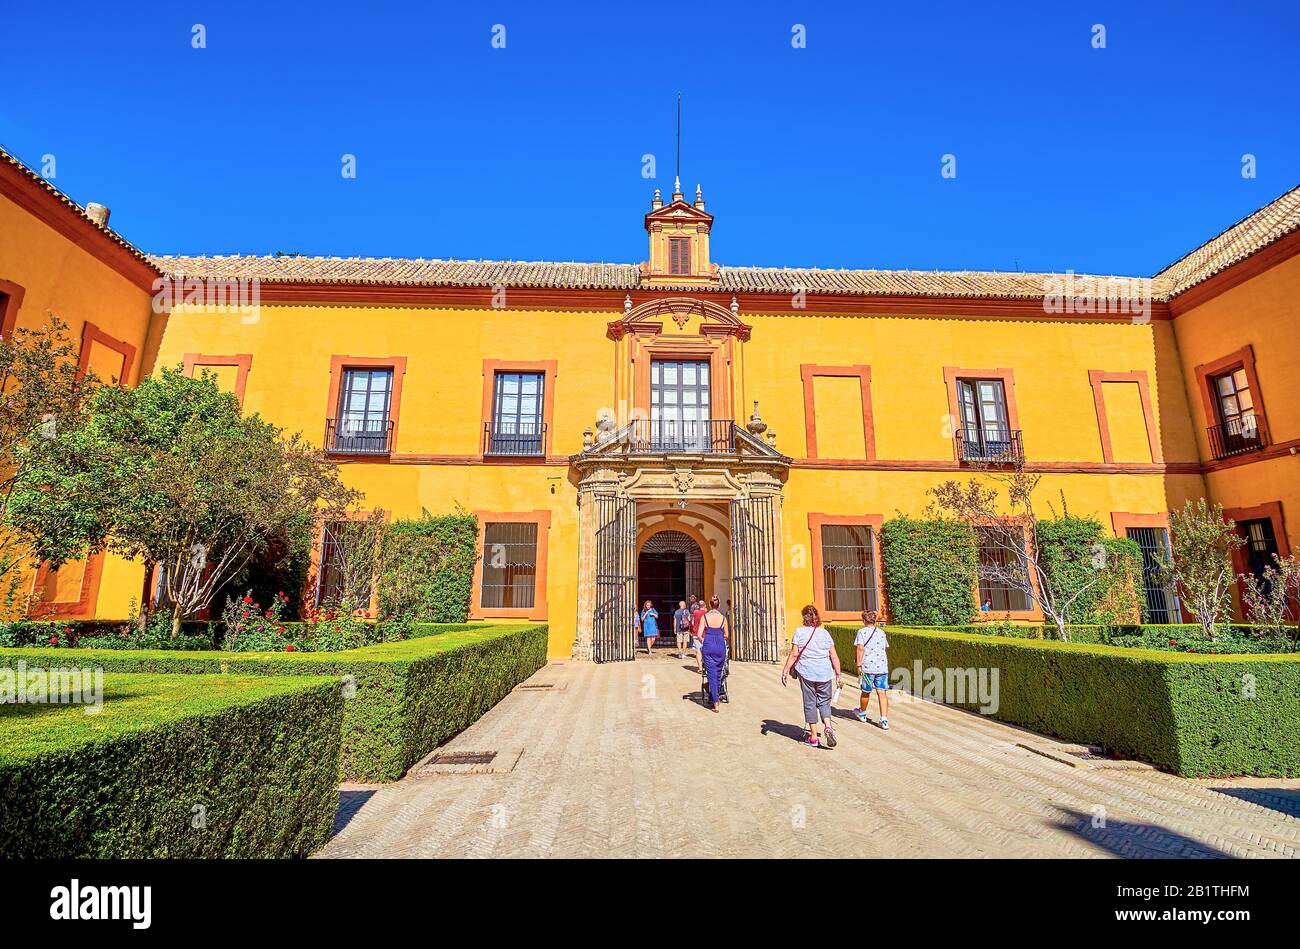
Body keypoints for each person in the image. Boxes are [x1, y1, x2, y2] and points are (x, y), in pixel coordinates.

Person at [781, 604, 842, 749]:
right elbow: (833, 655)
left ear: (804, 617)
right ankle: (828, 726)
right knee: (824, 702)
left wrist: (785, 669)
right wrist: (838, 673)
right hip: (825, 672)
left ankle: (814, 737)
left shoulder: (799, 632)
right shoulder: (824, 633)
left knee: (810, 702)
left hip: (807, 672)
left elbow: (794, 654)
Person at [853, 610, 890, 730]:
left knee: (866, 691)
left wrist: (859, 665)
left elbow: (860, 649)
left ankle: (862, 713)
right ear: (874, 620)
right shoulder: (881, 632)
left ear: (864, 620)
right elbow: (884, 647)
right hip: (882, 668)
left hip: (868, 668)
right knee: (882, 692)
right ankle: (884, 719)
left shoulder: (861, 632)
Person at [697, 595, 729, 712]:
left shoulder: (704, 617)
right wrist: (720, 638)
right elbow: (726, 635)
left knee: (711, 674)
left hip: (709, 644)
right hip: (720, 645)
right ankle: (713, 696)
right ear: (719, 605)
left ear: (710, 604)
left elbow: (699, 635)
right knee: (718, 673)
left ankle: (716, 702)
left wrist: (705, 641)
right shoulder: (723, 618)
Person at [689, 595, 707, 673]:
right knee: (706, 650)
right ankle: (706, 666)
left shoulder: (695, 612)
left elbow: (691, 622)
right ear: (705, 606)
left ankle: (700, 668)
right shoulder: (707, 613)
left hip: (696, 633)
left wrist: (691, 630)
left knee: (698, 651)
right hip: (705, 634)